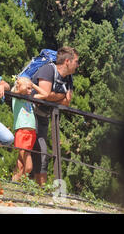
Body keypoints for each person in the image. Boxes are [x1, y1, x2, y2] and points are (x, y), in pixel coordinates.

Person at [31, 46, 79, 186]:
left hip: (44, 117)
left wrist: (55, 97)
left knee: (40, 155)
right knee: (38, 154)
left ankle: (38, 191)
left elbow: (67, 102)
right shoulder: (48, 70)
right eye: (76, 61)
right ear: (67, 61)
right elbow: (44, 96)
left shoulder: (68, 78)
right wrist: (62, 96)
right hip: (31, 115)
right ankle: (37, 190)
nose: (78, 65)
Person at [11, 77, 48, 181]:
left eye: (30, 89)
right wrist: (23, 82)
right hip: (23, 132)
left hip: (31, 133)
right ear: (19, 86)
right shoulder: (16, 95)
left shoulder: (30, 97)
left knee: (21, 165)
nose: (30, 91)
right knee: (28, 167)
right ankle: (19, 183)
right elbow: (19, 90)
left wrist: (32, 84)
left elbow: (45, 95)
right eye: (28, 88)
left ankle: (15, 183)